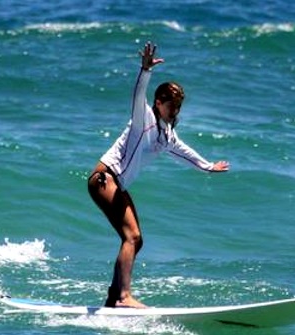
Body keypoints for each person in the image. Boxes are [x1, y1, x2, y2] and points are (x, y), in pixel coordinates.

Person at [87, 42, 230, 308]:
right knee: (132, 237)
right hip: (104, 179)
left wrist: (207, 166)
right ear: (159, 103)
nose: (176, 111)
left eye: (178, 107)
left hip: (117, 184)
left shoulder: (165, 134)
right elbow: (138, 93)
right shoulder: (144, 118)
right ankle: (123, 297)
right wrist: (145, 71)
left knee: (135, 240)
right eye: (172, 106)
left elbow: (185, 152)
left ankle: (113, 297)